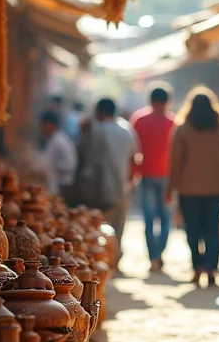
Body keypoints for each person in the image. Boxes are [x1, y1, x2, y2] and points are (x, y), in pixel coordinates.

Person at [168, 86, 219, 287]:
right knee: (212, 229)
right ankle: (211, 268)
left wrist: (171, 187)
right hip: (216, 187)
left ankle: (197, 267)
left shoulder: (182, 129)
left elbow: (175, 161)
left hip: (189, 188)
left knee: (192, 230)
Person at [77, 97, 138, 251]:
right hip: (121, 187)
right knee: (117, 229)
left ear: (99, 112)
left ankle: (100, 260)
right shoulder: (127, 130)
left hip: (96, 189)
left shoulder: (95, 130)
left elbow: (82, 155)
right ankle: (115, 258)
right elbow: (134, 158)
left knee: (96, 230)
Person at [130, 84, 176, 272]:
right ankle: (158, 253)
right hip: (167, 176)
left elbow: (132, 151)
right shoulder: (174, 122)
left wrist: (132, 174)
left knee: (149, 219)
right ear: (168, 101)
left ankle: (153, 257)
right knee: (166, 218)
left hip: (146, 174)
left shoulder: (139, 120)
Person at [39, 111, 77, 195]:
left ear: (50, 125)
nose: (41, 128)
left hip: (63, 181)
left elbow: (45, 163)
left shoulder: (57, 140)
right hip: (63, 178)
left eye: (43, 124)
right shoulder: (57, 137)